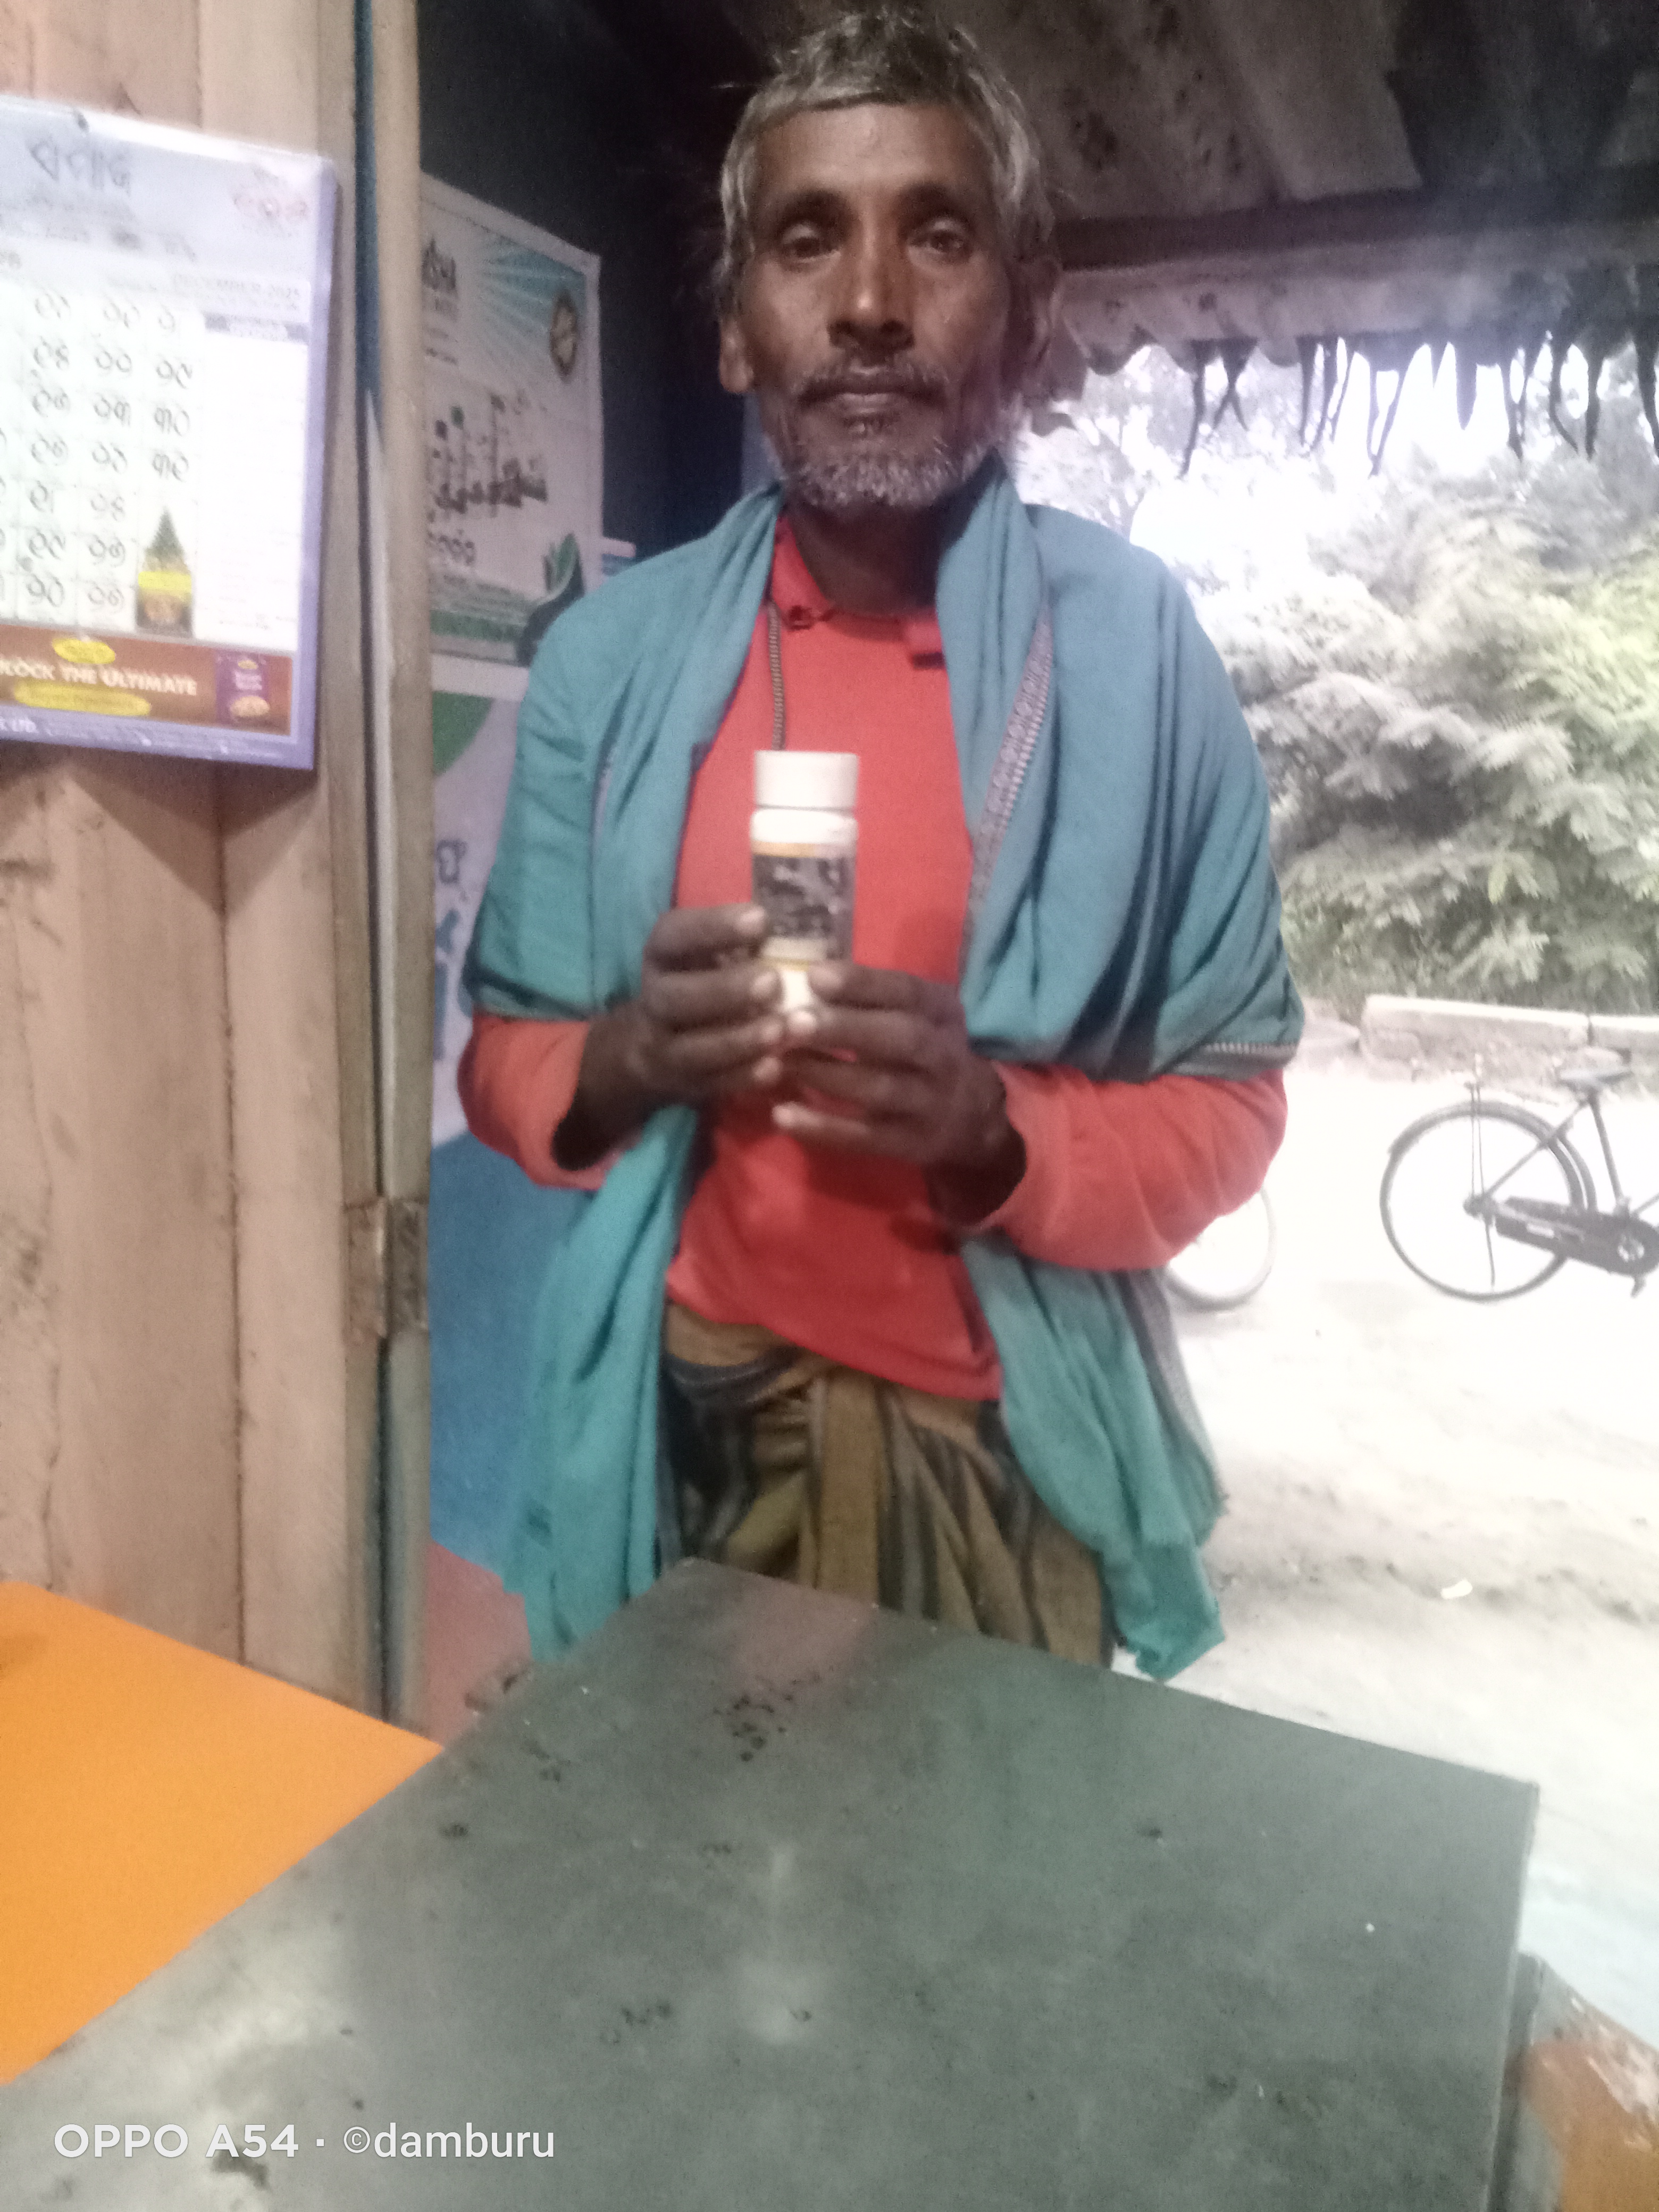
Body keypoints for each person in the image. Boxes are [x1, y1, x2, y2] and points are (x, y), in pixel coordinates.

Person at [459, 5, 1301, 1678]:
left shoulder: (1133, 653)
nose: (866, 303)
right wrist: (626, 1059)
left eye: (937, 233)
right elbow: (507, 1062)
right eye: (805, 239)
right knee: (678, 1842)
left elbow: (1233, 1102)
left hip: (1012, 1467)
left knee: (985, 1862)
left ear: (1027, 320)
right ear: (734, 327)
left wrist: (998, 1137)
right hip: (685, 1436)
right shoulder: (614, 664)